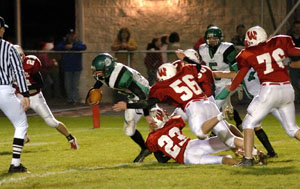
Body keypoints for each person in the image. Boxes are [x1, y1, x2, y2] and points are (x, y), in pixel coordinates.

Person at [225, 26, 300, 167]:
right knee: (292, 129)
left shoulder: (248, 53)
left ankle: (247, 160)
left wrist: (232, 87)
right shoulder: (278, 42)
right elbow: (294, 51)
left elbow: (241, 73)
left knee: (248, 123)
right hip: (287, 89)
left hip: (269, 90)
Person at [87, 53, 151, 163]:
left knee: (159, 126)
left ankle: (168, 150)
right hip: (133, 99)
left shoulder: (121, 76)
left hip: (148, 98)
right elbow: (99, 81)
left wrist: (147, 115)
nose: (96, 73)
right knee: (129, 130)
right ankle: (146, 149)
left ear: (107, 68)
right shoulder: (107, 74)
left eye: (98, 70)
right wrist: (90, 94)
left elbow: (143, 97)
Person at [14, 45, 79, 150]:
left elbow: (40, 84)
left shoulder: (31, 63)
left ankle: (71, 138)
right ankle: (24, 136)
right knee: (14, 116)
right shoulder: (7, 66)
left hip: (34, 96)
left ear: (23, 55)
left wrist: (24, 88)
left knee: (51, 122)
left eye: (20, 55)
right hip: (20, 95)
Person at [146, 106, 238, 165]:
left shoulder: (151, 139)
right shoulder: (174, 122)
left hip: (187, 158)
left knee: (223, 160)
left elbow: (160, 159)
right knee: (229, 140)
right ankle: (248, 153)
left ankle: (239, 162)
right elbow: (176, 120)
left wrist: (151, 130)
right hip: (193, 145)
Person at [0, 16, 30, 173]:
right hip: (3, 90)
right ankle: (15, 164)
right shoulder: (9, 48)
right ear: (1, 29)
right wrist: (25, 94)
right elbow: (19, 72)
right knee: (21, 125)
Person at [199, 26, 243, 130]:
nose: (212, 41)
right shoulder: (202, 49)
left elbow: (237, 72)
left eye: (215, 39)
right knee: (227, 107)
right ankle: (240, 124)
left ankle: (213, 133)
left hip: (230, 81)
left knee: (216, 105)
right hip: (218, 83)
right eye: (210, 39)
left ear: (220, 39)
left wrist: (216, 74)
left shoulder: (227, 49)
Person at [54, 29, 87, 105]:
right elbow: (56, 47)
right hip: (67, 67)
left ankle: (74, 100)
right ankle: (69, 99)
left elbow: (83, 47)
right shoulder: (64, 42)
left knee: (75, 85)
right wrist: (65, 46)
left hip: (77, 67)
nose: (71, 36)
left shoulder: (77, 42)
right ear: (67, 35)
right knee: (68, 85)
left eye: (73, 34)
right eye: (70, 35)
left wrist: (72, 47)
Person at [288, 21, 300, 103]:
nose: (297, 29)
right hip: (293, 63)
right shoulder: (289, 38)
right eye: (296, 27)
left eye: (299, 28)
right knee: (294, 82)